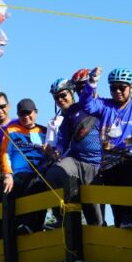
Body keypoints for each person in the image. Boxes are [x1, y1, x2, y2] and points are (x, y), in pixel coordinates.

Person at [79, 67, 132, 228]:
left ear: (131, 87)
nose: (118, 91)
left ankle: (128, 215)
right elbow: (86, 105)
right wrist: (92, 82)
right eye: (113, 88)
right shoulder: (105, 105)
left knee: (127, 173)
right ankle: (121, 223)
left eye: (122, 87)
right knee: (113, 193)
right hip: (108, 159)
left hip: (130, 156)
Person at [41, 78, 103, 228]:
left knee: (95, 218)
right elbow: (62, 141)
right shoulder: (67, 115)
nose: (60, 100)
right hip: (76, 161)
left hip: (96, 164)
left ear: (72, 93)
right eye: (56, 98)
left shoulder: (93, 106)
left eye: (63, 95)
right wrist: (57, 152)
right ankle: (62, 218)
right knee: (54, 173)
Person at [0, 98, 49, 233]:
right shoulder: (11, 130)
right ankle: (23, 225)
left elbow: (54, 153)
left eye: (28, 113)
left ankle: (38, 225)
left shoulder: (44, 131)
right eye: (22, 114)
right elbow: (5, 153)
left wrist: (49, 152)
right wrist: (7, 174)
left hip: (40, 172)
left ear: (36, 112)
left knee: (42, 182)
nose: (26, 117)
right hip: (19, 173)